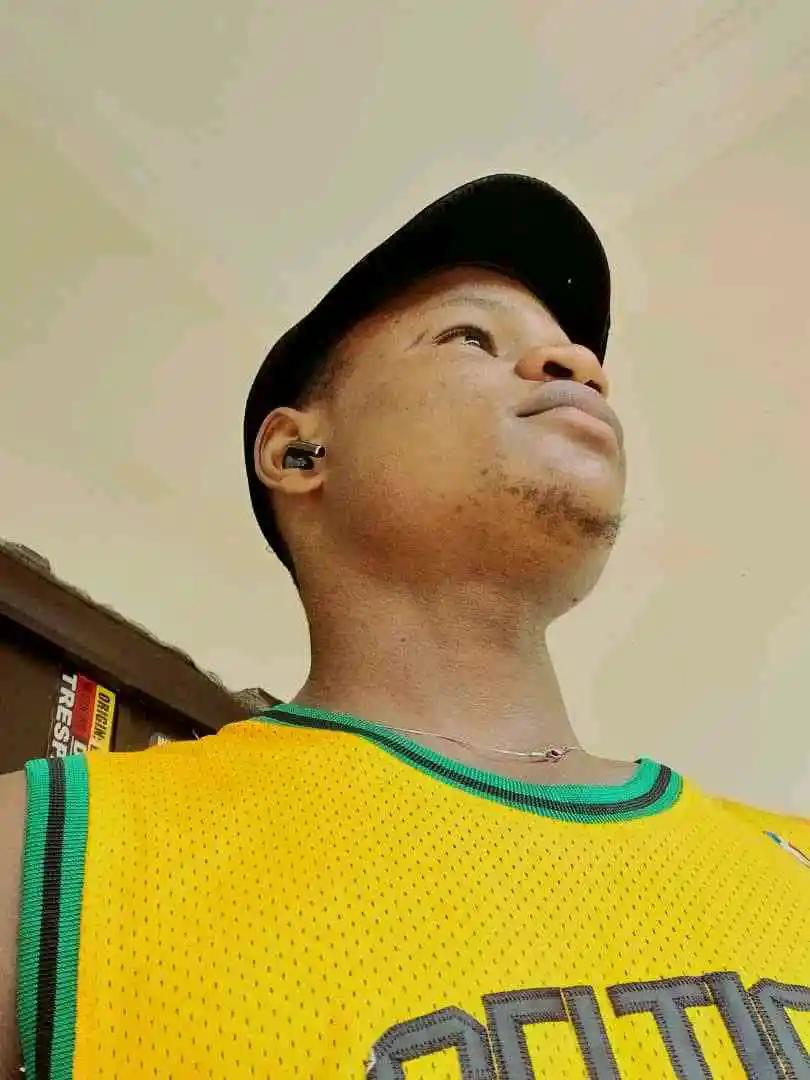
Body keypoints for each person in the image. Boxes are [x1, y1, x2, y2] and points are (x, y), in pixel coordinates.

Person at [0, 173, 808, 1079]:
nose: (579, 367)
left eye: (577, 354)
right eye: (472, 336)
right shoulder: (50, 854)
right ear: (298, 451)